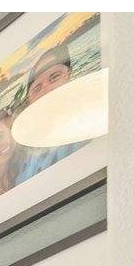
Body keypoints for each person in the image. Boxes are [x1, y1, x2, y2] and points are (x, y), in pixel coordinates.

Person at [12, 43, 89, 183]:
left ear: (69, 75)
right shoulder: (25, 152)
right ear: (30, 101)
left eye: (54, 77)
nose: (46, 90)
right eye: (37, 88)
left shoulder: (89, 123)